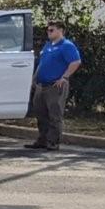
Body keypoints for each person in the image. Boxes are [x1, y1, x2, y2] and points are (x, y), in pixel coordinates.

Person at [25, 21, 81, 150]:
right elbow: (42, 63)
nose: (48, 32)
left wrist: (65, 77)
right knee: (40, 114)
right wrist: (34, 79)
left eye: (52, 30)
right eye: (48, 30)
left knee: (55, 115)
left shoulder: (67, 46)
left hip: (55, 86)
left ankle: (53, 142)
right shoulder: (48, 45)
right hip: (41, 85)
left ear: (60, 30)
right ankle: (42, 139)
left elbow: (76, 62)